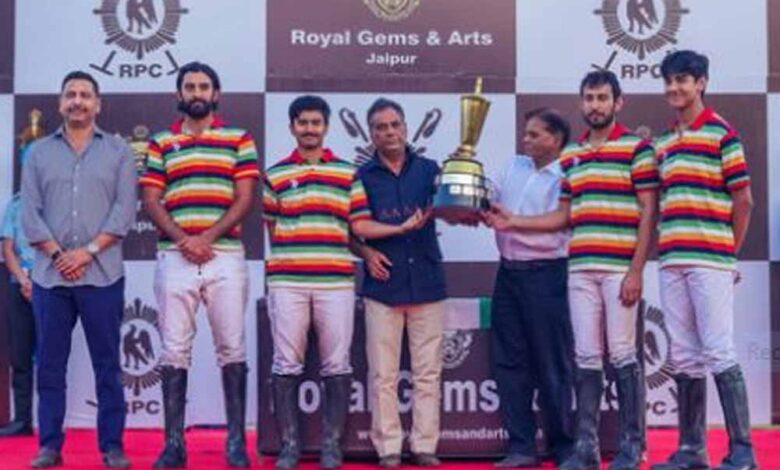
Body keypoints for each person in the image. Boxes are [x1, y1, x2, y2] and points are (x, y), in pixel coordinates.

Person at [487, 70, 658, 470]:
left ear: (617, 102)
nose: (595, 105)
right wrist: (506, 219)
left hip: (612, 268)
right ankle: (585, 450)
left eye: (602, 98)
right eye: (589, 98)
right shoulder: (574, 157)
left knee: (622, 355)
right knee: (585, 357)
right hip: (578, 268)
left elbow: (650, 212)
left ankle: (631, 448)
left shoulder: (638, 149)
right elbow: (565, 215)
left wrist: (637, 270)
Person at [140, 61, 260, 468]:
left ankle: (236, 443)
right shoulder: (161, 142)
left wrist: (206, 238)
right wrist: (184, 240)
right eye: (189, 86)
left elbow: (244, 198)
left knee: (232, 347)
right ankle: (174, 445)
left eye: (203, 86)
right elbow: (151, 200)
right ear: (179, 94)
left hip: (224, 255)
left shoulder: (238, 138)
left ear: (216, 94)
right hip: (174, 256)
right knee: (174, 350)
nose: (196, 92)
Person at [21, 70, 137, 468]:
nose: (77, 101)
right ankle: (50, 446)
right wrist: (59, 256)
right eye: (70, 94)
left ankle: (112, 446)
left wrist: (86, 253)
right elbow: (30, 214)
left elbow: (124, 212)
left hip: (102, 276)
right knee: (50, 366)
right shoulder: (38, 153)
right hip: (50, 278)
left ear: (97, 104)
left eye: (85, 95)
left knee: (108, 366)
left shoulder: (119, 152)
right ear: (60, 103)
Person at [651, 50, 757, 470]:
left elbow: (744, 201)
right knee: (683, 355)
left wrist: (729, 254)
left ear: (702, 83)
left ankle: (743, 452)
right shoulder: (663, 142)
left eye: (683, 80)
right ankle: (693, 450)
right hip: (672, 258)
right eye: (669, 81)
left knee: (718, 350)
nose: (674, 87)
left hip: (710, 257)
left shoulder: (722, 133)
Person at [262, 95, 368, 470]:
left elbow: (358, 227)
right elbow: (272, 228)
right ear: (292, 127)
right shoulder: (274, 174)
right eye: (303, 122)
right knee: (286, 363)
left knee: (337, 364)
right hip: (287, 281)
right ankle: (290, 446)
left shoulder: (348, 173)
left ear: (326, 127)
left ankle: (331, 446)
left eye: (316, 123)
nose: (309, 129)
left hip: (335, 281)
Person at [350, 98, 446, 469]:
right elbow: (353, 228)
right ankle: (388, 448)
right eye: (381, 127)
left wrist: (464, 193)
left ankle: (425, 446)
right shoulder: (360, 177)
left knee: (428, 373)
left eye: (395, 125)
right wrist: (368, 249)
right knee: (383, 375)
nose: (389, 132)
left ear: (405, 127)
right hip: (383, 285)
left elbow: (452, 208)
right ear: (371, 133)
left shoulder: (430, 170)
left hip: (427, 281)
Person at [482, 108, 574, 467]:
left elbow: (561, 220)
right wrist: (472, 197)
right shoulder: (513, 166)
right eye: (526, 133)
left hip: (547, 275)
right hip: (508, 274)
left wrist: (513, 221)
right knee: (509, 363)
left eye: (535, 135)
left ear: (556, 139)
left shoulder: (568, 172)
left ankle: (562, 444)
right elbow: (489, 195)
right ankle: (521, 447)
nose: (526, 140)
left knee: (552, 363)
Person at [0, 147, 38, 437]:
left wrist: (39, 281)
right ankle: (22, 419)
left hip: (52, 287)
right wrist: (24, 280)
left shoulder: (60, 203)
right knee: (20, 356)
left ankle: (52, 421)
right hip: (19, 286)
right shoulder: (15, 205)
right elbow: (8, 249)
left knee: (52, 359)